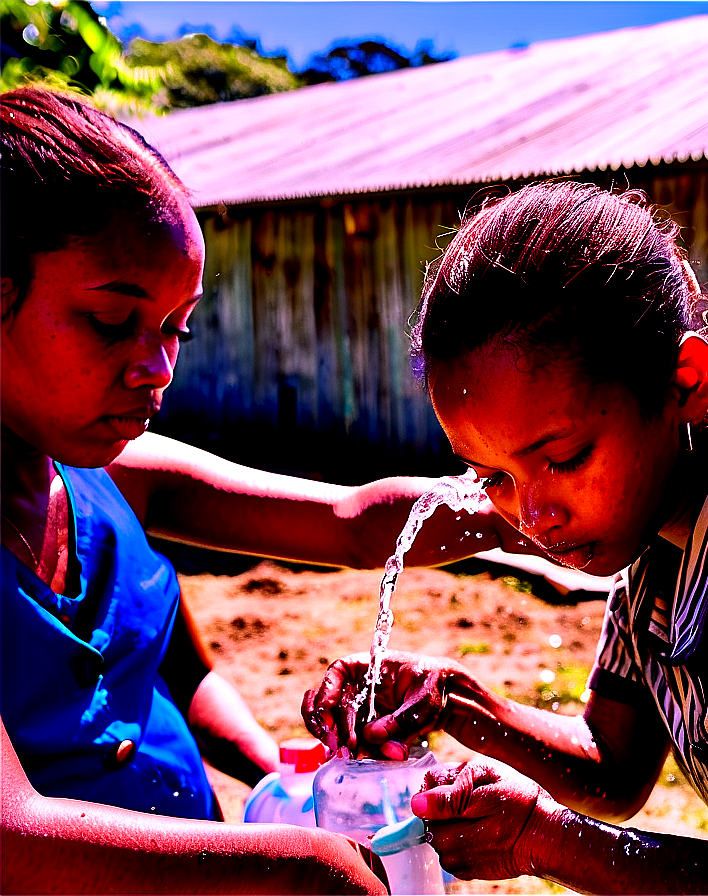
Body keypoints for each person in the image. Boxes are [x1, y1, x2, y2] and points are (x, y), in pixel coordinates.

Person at [0, 86, 530, 895]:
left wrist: (529, 505)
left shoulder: (108, 480)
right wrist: (295, 867)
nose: (158, 369)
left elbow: (349, 526)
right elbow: (14, 836)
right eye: (114, 321)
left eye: (178, 327)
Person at [303, 182, 708, 894]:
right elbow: (614, 765)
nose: (533, 517)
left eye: (565, 459)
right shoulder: (663, 523)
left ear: (684, 379)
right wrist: (454, 700)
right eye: (492, 476)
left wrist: (540, 840)